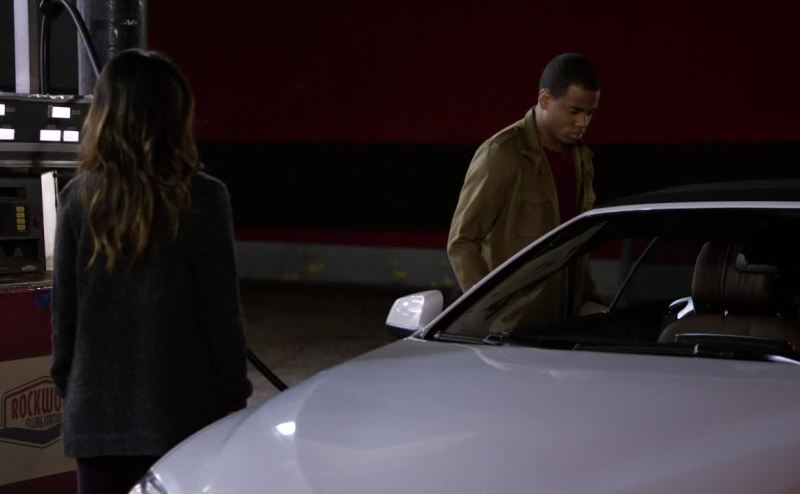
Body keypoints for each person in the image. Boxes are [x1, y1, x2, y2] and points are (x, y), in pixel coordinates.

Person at [50, 49, 252, 494]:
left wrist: (77, 390)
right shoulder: (203, 198)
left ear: (104, 114)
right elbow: (221, 314)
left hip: (96, 420)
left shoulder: (77, 199)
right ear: (174, 115)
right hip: (185, 418)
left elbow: (65, 319)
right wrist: (232, 393)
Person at [447, 53, 601, 295]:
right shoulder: (502, 153)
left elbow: (579, 245)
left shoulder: (582, 159)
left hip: (565, 312)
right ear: (545, 99)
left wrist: (589, 299)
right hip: (514, 316)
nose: (583, 122)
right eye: (574, 111)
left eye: (590, 113)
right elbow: (462, 242)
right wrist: (491, 308)